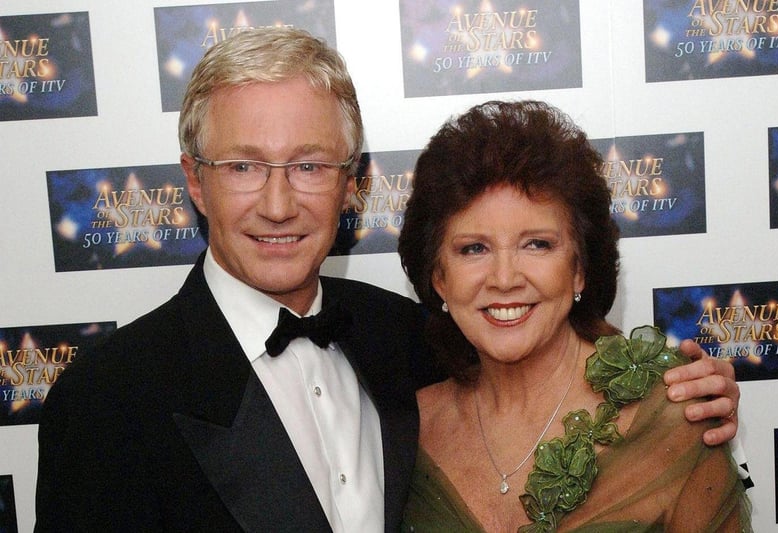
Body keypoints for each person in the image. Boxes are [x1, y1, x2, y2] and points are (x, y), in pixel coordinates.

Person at [35, 29, 739, 532]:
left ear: (352, 183)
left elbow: (537, 334)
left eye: (309, 165)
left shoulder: (401, 339)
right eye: (244, 166)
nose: (279, 204)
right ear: (193, 180)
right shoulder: (107, 404)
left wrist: (669, 384)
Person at [397, 100, 751, 532]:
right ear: (439, 277)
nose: (505, 278)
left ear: (580, 268)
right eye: (474, 248)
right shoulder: (403, 431)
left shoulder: (676, 413)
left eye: (537, 244)